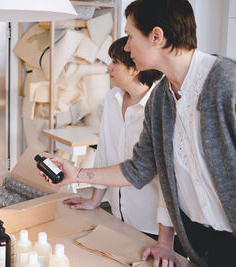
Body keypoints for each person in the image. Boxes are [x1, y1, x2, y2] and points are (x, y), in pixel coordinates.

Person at [42, 0, 236, 266]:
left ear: (156, 36)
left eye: (131, 36)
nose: (127, 46)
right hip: (200, 242)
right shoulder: (160, 101)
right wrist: (78, 174)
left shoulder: (227, 82)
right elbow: (141, 168)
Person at [63, 36, 184, 267]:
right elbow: (105, 152)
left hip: (154, 227)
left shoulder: (160, 107)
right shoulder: (112, 99)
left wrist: (165, 242)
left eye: (115, 62)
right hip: (119, 216)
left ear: (135, 68)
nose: (108, 67)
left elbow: (170, 180)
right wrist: (95, 200)